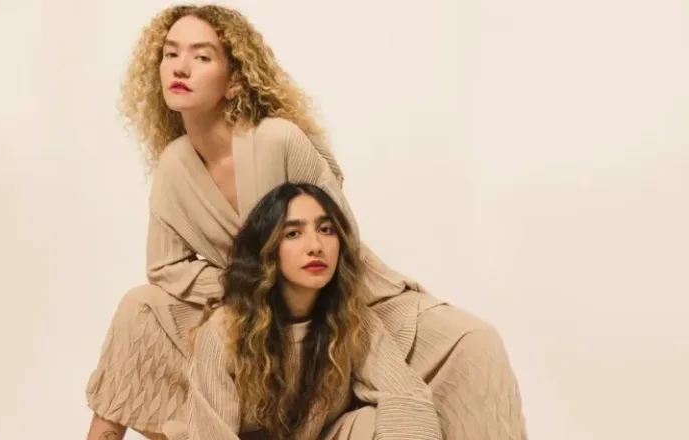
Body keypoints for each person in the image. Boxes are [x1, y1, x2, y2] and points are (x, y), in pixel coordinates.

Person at [85, 4, 527, 440]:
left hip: (343, 291)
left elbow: (338, 231)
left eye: (201, 56)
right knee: (140, 307)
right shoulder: (173, 166)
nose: (180, 67)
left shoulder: (277, 140)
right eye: (170, 53)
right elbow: (166, 267)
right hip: (254, 307)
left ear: (234, 81)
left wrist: (291, 276)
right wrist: (253, 286)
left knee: (474, 341)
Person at [160, 182, 442, 440]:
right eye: (293, 233)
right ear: (268, 249)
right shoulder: (224, 333)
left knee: (372, 421)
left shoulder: (350, 319)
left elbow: (408, 396)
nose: (316, 246)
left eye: (326, 230)